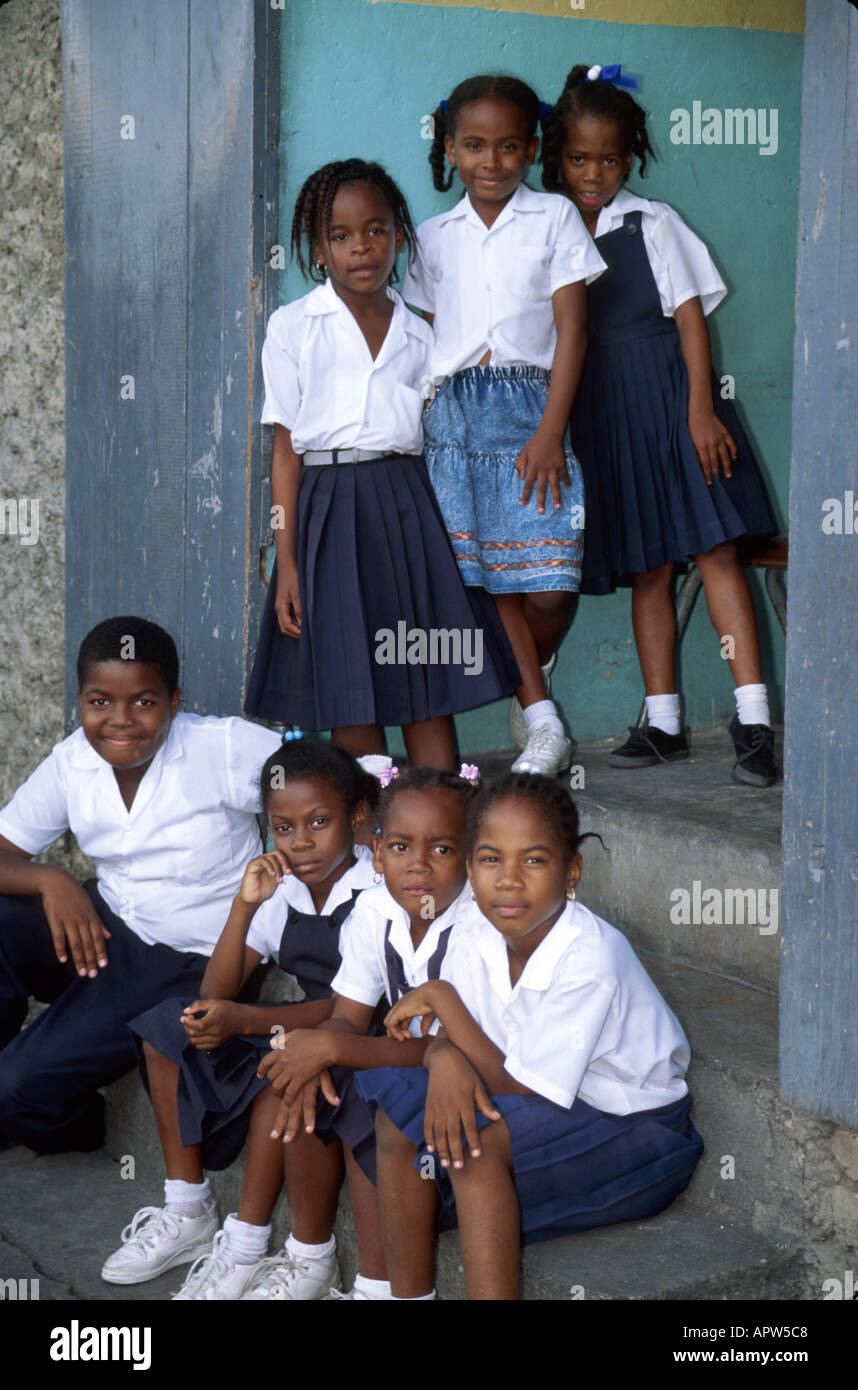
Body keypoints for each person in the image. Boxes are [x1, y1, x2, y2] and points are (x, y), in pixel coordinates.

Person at [358, 773, 702, 1301]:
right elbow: (454, 1039)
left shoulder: (590, 956)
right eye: (491, 859)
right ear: (470, 868)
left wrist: (443, 1000)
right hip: (537, 1100)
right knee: (394, 1104)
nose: (510, 881)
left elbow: (521, 1086)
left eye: (534, 860)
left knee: (472, 1144)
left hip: (634, 1131)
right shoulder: (475, 927)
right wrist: (444, 1051)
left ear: (572, 872)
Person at [542, 64, 778, 786]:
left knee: (715, 555)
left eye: (609, 159)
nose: (594, 173)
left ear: (630, 156)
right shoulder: (546, 230)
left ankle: (755, 721)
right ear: (557, 157)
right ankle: (665, 721)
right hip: (608, 421)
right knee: (649, 570)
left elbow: (690, 320)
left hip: (677, 409)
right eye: (579, 159)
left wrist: (701, 409)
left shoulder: (653, 223)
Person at [244, 158, 519, 769]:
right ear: (318, 249)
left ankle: (442, 811)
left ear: (398, 236)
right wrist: (286, 562)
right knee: (350, 682)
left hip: (405, 506)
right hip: (323, 510)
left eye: (375, 230)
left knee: (421, 673)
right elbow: (285, 454)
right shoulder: (292, 327)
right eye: (340, 236)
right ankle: (374, 839)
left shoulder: (424, 335)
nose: (360, 248)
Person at [101, 740, 376, 1301]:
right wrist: (245, 905)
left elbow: (350, 1009)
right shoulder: (284, 889)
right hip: (293, 1026)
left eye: (319, 822)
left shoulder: (375, 893)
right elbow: (215, 990)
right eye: (283, 827)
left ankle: (246, 1244)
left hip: (355, 1035)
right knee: (168, 1027)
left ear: (357, 819)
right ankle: (188, 1209)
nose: (301, 842)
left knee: (286, 1065)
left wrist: (246, 1019)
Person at [0, 616, 280, 1153]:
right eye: (100, 701)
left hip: (184, 960)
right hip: (104, 931)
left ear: (174, 702)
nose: (120, 721)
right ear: (81, 700)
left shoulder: (220, 749)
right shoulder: (73, 762)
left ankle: (71, 1118)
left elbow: (331, 784)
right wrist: (50, 878)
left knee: (16, 1091)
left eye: (144, 702)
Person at [405, 76, 606, 776]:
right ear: (452, 149)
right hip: (455, 418)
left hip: (531, 411)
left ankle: (531, 665)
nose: (492, 161)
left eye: (509, 146)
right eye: (475, 145)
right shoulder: (432, 237)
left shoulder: (554, 218)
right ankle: (545, 721)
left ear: (531, 148)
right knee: (487, 581)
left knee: (550, 583)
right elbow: (424, 336)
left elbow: (574, 329)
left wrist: (552, 431)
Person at [258, 765, 480, 1300]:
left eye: (442, 849)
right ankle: (310, 1258)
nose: (418, 866)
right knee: (309, 1073)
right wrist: (320, 1050)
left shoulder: (481, 925)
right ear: (376, 852)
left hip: (469, 1073)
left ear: (473, 856)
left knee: (364, 1090)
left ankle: (378, 1285)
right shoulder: (376, 908)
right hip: (416, 1060)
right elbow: (348, 1015)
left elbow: (464, 1048)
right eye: (401, 847)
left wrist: (335, 1044)